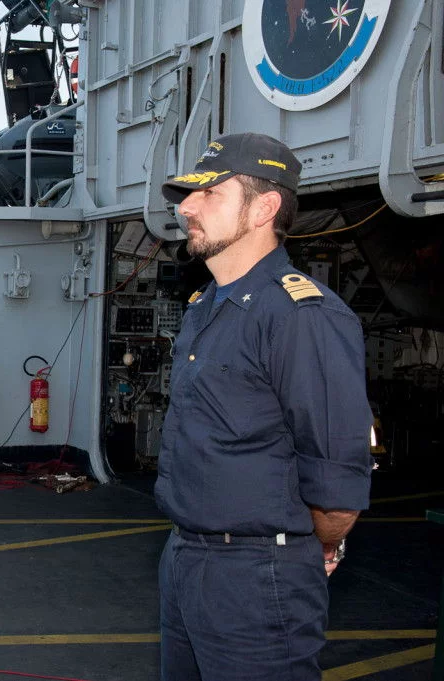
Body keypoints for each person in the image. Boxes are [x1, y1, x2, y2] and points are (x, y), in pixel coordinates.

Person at [154, 133, 373, 680]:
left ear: (265, 207)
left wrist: (314, 549)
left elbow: (337, 479)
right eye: (187, 195)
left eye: (210, 195)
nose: (186, 207)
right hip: (183, 559)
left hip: (256, 575)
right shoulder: (207, 307)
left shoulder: (301, 314)